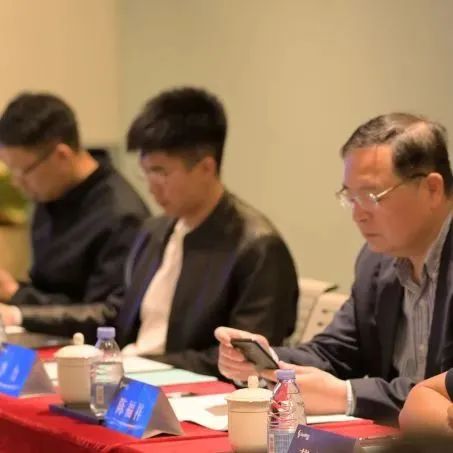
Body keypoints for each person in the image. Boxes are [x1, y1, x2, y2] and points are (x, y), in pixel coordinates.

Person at [216, 112, 453, 423]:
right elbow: (337, 352)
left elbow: (443, 393)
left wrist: (348, 396)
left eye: (371, 196)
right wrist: (267, 362)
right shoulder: (376, 262)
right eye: (350, 197)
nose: (358, 214)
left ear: (432, 189)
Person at [115, 86, 298, 376]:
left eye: (161, 172)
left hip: (187, 388)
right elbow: (119, 314)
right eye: (146, 171)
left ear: (206, 168)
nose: (151, 186)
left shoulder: (258, 247)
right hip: (133, 376)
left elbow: (247, 359)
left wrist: (141, 365)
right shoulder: (154, 230)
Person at [0, 92, 150, 342]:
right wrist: (13, 290)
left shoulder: (121, 215)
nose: (17, 182)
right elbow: (50, 289)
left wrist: (17, 305)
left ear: (61, 155)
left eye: (23, 171)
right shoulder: (50, 194)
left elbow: (109, 315)